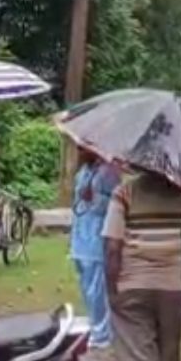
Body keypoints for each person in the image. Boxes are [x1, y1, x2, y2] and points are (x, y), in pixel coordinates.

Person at [104, 166, 181, 361]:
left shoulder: (124, 194)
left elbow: (113, 247)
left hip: (133, 286)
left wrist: (111, 289)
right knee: (170, 360)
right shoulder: (180, 195)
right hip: (170, 286)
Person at [71, 146, 121, 348]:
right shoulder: (83, 172)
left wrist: (96, 198)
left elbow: (117, 203)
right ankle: (94, 322)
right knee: (85, 283)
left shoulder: (109, 172)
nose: (79, 152)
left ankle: (102, 332)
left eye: (82, 148)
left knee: (97, 285)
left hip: (97, 234)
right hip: (80, 233)